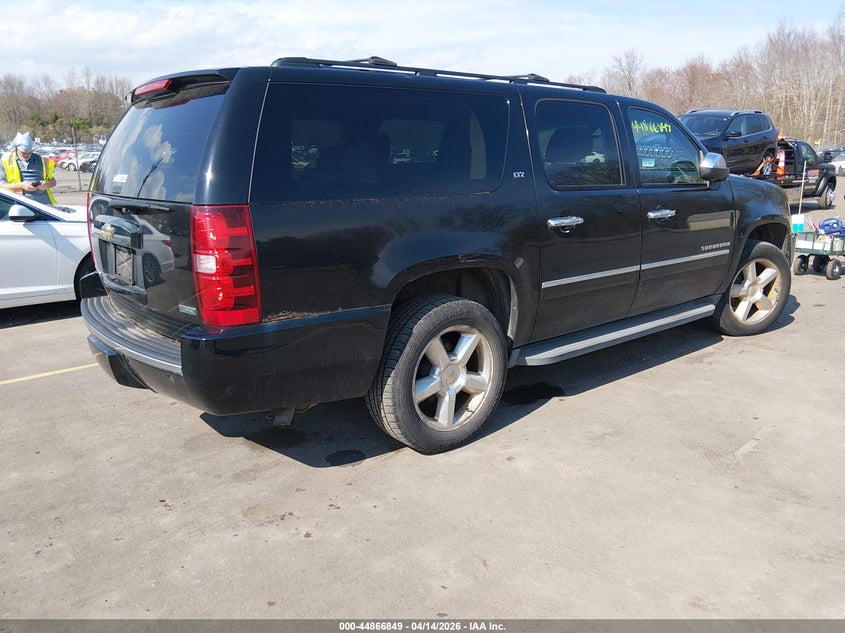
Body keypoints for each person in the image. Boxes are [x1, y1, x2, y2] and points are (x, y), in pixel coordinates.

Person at [1, 132, 58, 205]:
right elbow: (1, 184)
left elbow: (53, 181)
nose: (27, 155)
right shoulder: (6, 160)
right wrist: (21, 185)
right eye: (23, 152)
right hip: (19, 206)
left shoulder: (42, 161)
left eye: (29, 152)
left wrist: (47, 184)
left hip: (44, 205)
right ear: (16, 148)